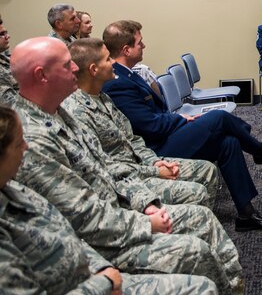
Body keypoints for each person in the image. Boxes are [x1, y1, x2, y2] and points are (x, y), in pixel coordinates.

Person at [10, 37, 262, 295]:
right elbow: (79, 215)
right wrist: (145, 219)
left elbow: (111, 164)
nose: (76, 68)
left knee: (222, 152)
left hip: (122, 203)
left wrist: (146, 198)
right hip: (104, 236)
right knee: (197, 237)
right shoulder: (33, 137)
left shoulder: (61, 113)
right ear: (41, 75)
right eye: (66, 64)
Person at [0, 105, 222, 295]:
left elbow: (68, 231)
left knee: (205, 292)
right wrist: (104, 283)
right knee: (196, 254)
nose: (26, 147)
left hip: (94, 269)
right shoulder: (42, 141)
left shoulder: (15, 190)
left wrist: (101, 269)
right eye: (19, 143)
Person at [102, 20, 262, 231]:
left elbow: (155, 117)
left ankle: (246, 214)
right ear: (126, 49)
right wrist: (180, 120)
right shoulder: (117, 83)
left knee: (229, 142)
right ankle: (260, 150)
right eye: (140, 42)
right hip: (155, 151)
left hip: (165, 135)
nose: (144, 46)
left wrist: (178, 121)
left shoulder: (128, 73)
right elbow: (149, 126)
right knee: (218, 118)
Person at [64, 38, 219, 208]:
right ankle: (187, 227)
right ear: (94, 69)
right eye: (108, 59)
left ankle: (193, 229)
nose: (113, 62)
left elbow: (132, 139)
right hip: (122, 182)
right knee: (196, 192)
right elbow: (104, 166)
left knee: (207, 169)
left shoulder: (103, 98)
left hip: (140, 165)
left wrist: (154, 162)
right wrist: (155, 171)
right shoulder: (77, 111)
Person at [0, 14, 18, 103]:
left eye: (6, 32)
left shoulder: (3, 54)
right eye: (2, 34)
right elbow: (11, 105)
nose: (8, 36)